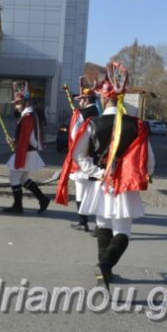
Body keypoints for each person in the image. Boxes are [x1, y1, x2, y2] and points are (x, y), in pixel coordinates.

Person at [79, 77, 154, 291]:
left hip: (100, 183)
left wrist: (98, 171)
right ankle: (105, 266)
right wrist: (147, 174)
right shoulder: (136, 125)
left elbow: (79, 155)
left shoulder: (92, 124)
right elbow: (147, 158)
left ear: (104, 98)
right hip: (125, 183)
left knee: (103, 225)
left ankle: (105, 272)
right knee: (123, 230)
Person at [55, 78, 100, 231]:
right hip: (97, 155)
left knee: (81, 190)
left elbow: (74, 134)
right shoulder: (99, 112)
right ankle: (96, 223)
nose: (79, 102)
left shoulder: (82, 113)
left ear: (86, 100)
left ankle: (83, 222)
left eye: (81, 100)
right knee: (94, 190)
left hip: (82, 156)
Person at [3, 81, 50, 214]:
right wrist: (15, 141)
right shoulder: (29, 115)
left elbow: (30, 138)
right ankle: (43, 199)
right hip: (28, 151)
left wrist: (16, 143)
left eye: (18, 103)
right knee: (23, 179)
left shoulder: (27, 117)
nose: (16, 106)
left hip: (26, 152)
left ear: (25, 103)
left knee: (14, 177)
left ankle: (18, 206)